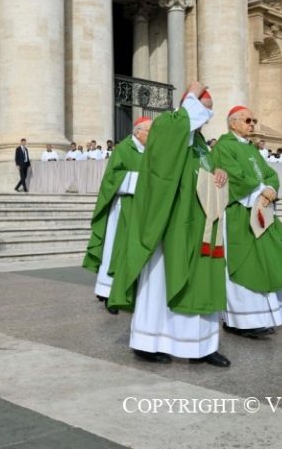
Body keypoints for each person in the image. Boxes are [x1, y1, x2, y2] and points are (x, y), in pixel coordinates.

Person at [109, 82, 230, 367]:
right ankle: (147, 342)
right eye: (204, 110)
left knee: (201, 281)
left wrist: (218, 171)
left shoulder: (199, 141)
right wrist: (192, 95)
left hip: (200, 222)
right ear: (190, 106)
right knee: (160, 282)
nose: (207, 117)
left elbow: (202, 169)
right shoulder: (168, 127)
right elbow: (166, 162)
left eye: (210, 112)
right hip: (171, 222)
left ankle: (202, 346)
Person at [213, 106, 282, 337]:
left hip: (260, 211)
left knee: (264, 261)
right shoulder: (224, 146)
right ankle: (240, 321)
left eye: (254, 120)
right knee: (246, 262)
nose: (252, 124)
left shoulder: (251, 148)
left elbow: (270, 174)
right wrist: (261, 190)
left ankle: (263, 317)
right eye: (248, 120)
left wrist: (270, 189)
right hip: (239, 213)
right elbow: (233, 176)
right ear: (233, 123)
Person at [84, 117, 152, 315]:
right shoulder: (123, 149)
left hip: (140, 208)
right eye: (150, 131)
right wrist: (141, 180)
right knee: (115, 249)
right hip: (122, 207)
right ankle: (107, 292)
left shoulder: (151, 151)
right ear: (138, 132)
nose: (153, 135)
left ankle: (129, 290)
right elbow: (111, 178)